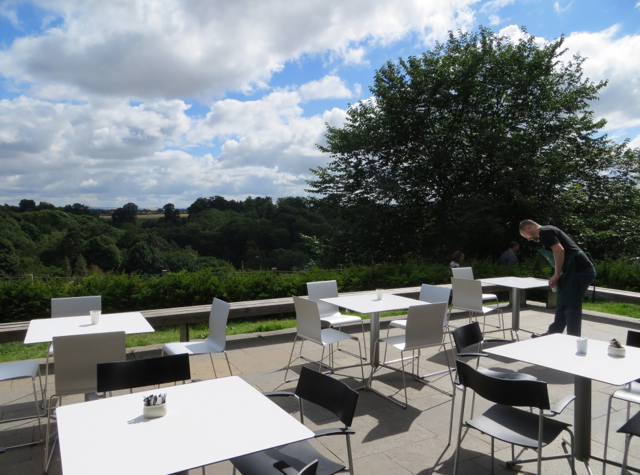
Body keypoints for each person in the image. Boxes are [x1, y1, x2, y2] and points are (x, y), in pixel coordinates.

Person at [519, 219, 596, 337]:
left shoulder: (545, 231)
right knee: (563, 303)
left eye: (525, 236)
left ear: (528, 227)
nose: (528, 239)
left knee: (571, 305)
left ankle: (573, 338)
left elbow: (559, 250)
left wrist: (556, 274)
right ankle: (553, 334)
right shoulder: (548, 231)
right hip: (572, 270)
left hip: (579, 270)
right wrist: (559, 274)